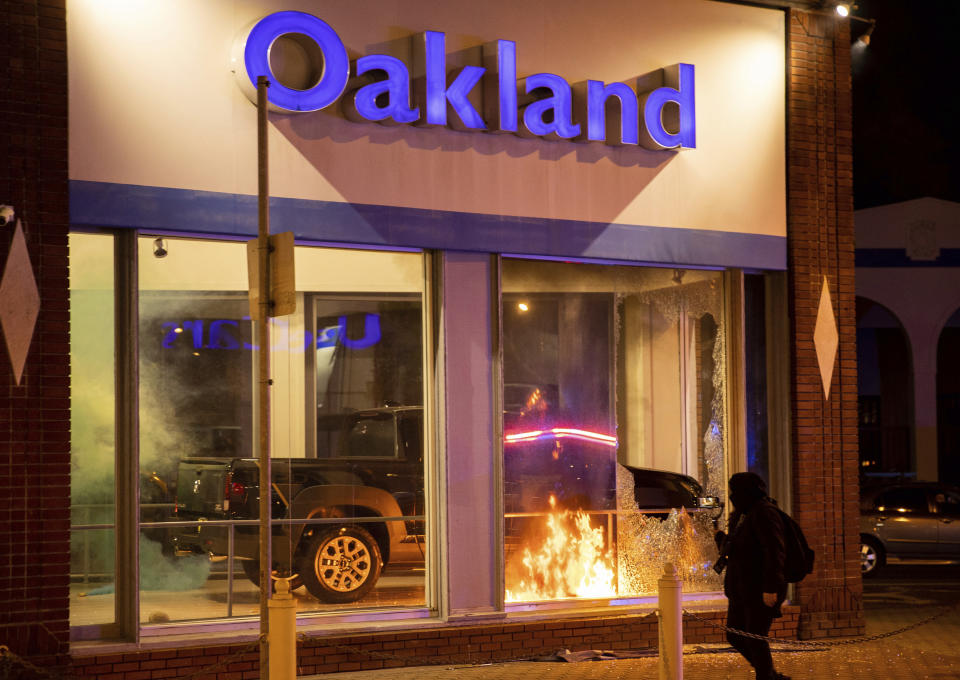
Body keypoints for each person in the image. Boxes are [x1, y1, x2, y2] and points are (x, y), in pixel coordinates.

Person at [714, 472, 790, 680]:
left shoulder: (765, 512)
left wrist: (771, 587)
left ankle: (766, 677)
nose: (732, 496)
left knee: (755, 639)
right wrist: (720, 537)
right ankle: (771, 676)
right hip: (740, 588)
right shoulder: (742, 514)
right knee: (735, 635)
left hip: (759, 589)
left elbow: (775, 552)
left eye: (735, 491)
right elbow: (738, 548)